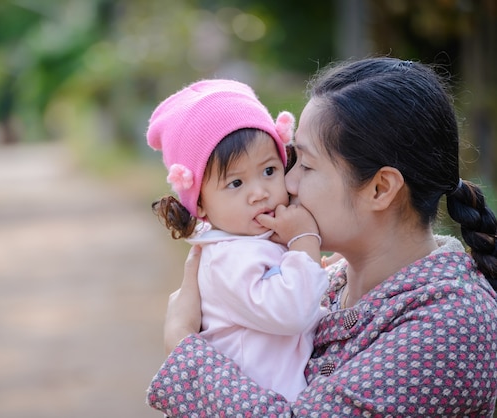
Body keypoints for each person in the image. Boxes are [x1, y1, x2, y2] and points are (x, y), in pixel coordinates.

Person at [146, 57, 497, 417]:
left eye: (306, 166)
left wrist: (183, 343)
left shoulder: (450, 325)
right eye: (290, 160)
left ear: (380, 188)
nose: (287, 183)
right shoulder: (329, 279)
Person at [146, 79, 329, 401]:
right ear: (199, 204)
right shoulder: (227, 258)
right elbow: (291, 313)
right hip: (254, 403)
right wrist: (304, 242)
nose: (259, 193)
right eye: (235, 183)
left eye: (270, 171)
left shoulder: (253, 243)